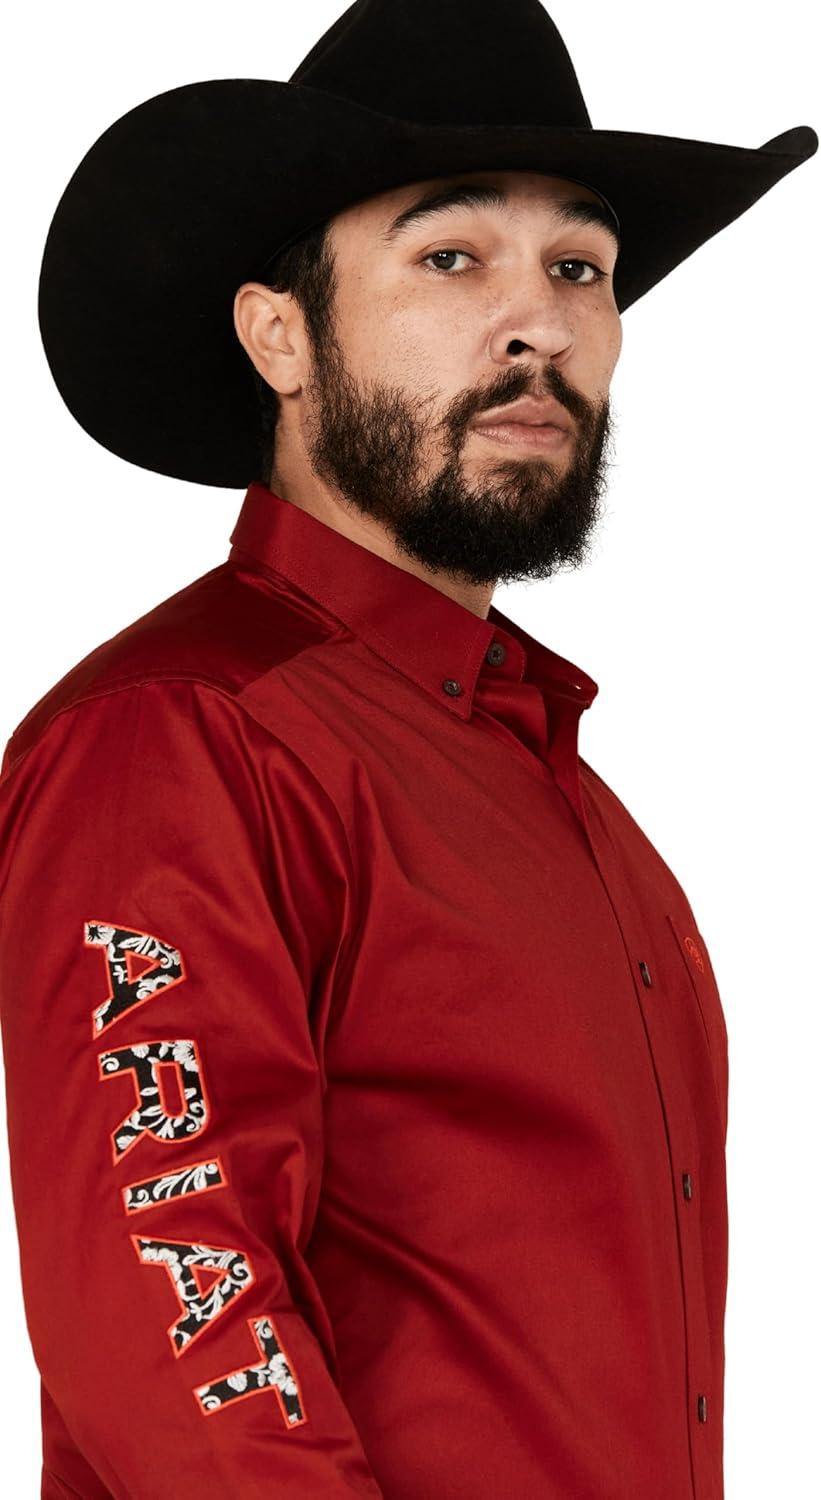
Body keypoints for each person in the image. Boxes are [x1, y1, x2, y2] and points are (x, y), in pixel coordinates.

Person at [0, 2, 815, 1497]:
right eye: (451, 258)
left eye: (579, 268)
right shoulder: (184, 737)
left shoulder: (570, 805)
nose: (540, 324)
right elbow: (180, 1334)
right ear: (280, 335)